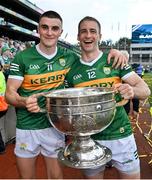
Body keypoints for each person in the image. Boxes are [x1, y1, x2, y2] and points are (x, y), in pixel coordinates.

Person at [5, 11, 129, 179]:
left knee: (56, 178)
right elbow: (9, 94)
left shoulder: (69, 57)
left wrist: (120, 53)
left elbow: (92, 57)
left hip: (54, 125)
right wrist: (23, 101)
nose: (49, 32)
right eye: (45, 27)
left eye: (54, 28)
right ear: (38, 30)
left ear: (60, 32)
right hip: (27, 126)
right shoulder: (22, 57)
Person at [64, 16, 151, 179]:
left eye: (92, 31)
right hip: (89, 140)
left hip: (120, 134)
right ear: (78, 37)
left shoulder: (115, 60)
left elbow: (145, 89)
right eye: (83, 31)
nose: (88, 35)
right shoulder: (70, 70)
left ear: (99, 36)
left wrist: (131, 90)